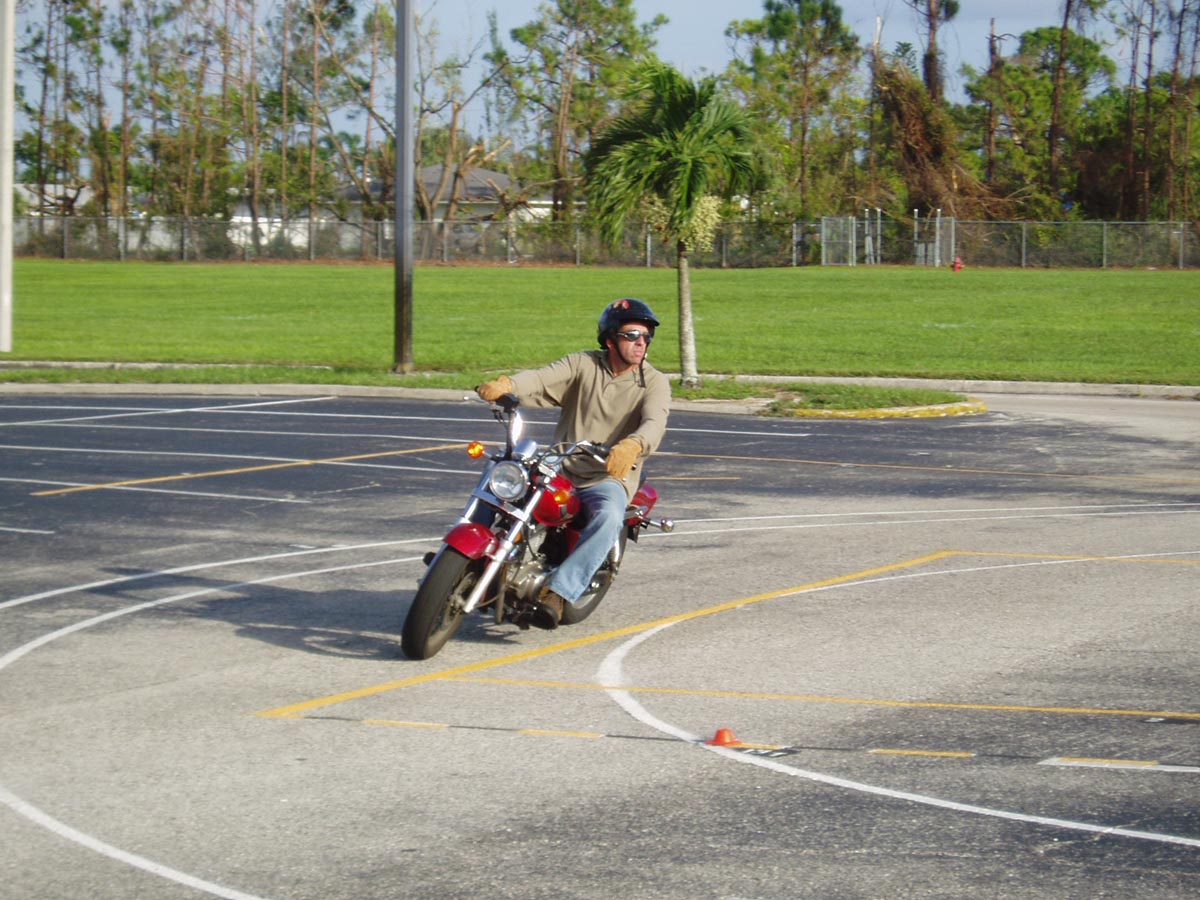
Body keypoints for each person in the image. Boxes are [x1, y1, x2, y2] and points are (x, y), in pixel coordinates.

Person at [476, 298, 671, 630]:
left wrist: (633, 444)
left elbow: (655, 422)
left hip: (608, 475)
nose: (641, 342)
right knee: (499, 472)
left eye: (646, 335)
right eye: (631, 335)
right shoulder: (584, 364)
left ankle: (559, 592)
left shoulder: (653, 382)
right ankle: (471, 556)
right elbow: (542, 378)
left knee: (609, 516)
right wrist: (509, 384)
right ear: (610, 339)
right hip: (561, 463)